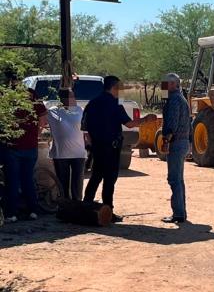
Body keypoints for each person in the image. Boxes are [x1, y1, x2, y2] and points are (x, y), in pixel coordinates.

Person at [82, 76, 156, 215]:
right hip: (111, 147)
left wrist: (92, 143)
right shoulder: (115, 105)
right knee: (109, 179)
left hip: (97, 146)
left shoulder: (92, 103)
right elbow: (129, 124)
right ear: (114, 87)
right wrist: (146, 119)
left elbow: (84, 127)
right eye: (120, 88)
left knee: (96, 175)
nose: (121, 91)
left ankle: (87, 204)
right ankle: (108, 210)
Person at [3, 82, 47, 223]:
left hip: (12, 147)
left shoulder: (4, 95)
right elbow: (43, 119)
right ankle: (33, 211)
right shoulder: (31, 93)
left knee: (12, 181)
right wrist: (37, 134)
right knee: (27, 179)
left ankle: (12, 214)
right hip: (31, 146)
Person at [161, 73, 192, 223]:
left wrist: (166, 139)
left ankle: (178, 214)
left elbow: (172, 123)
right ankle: (181, 212)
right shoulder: (181, 99)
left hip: (176, 142)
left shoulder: (174, 100)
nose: (163, 86)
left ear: (173, 84)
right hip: (183, 141)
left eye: (165, 83)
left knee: (174, 179)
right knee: (178, 179)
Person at [46, 89, 86, 201]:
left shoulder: (80, 110)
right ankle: (64, 206)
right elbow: (41, 119)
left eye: (73, 96)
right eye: (71, 96)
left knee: (77, 184)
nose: (74, 99)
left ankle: (77, 205)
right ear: (63, 99)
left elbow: (86, 130)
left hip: (78, 153)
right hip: (60, 154)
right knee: (62, 184)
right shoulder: (53, 111)